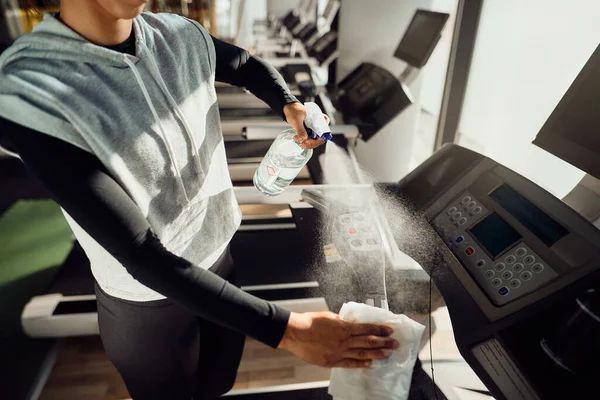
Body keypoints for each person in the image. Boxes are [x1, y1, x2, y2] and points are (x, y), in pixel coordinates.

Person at [0, 1, 399, 399]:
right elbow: (140, 253)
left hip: (218, 258)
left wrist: (289, 105)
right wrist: (290, 331)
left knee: (218, 384)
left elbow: (243, 65)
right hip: (147, 302)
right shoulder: (28, 87)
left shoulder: (178, 34)